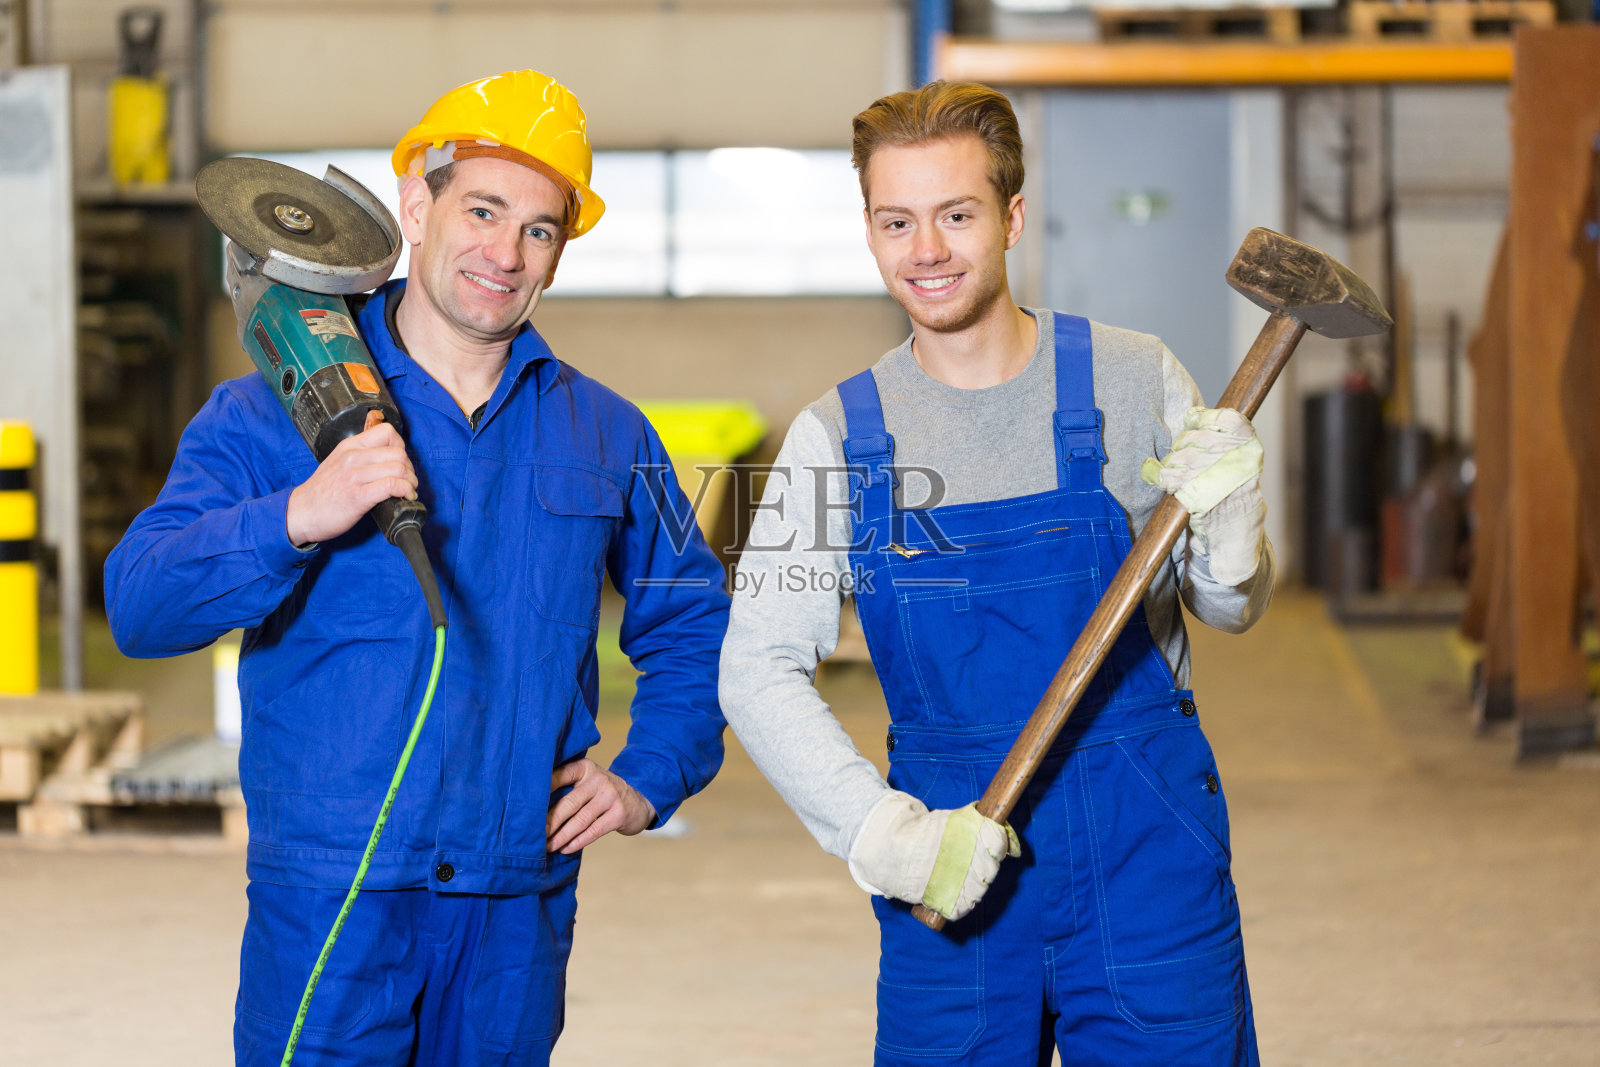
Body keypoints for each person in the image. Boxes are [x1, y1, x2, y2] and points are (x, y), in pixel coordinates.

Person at [105, 70, 729, 1066]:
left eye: (539, 229)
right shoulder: (270, 409)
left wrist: (649, 773)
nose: (505, 252)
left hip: (512, 902)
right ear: (414, 208)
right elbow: (141, 603)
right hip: (332, 893)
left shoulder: (609, 432)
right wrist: (301, 513)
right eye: (482, 209)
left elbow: (694, 620)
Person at [719, 80, 1272, 1065]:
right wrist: (883, 835)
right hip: (953, 855)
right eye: (897, 220)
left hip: (1146, 859)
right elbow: (756, 666)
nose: (925, 248)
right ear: (870, 230)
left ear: (1012, 216)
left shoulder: (1134, 376)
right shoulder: (835, 437)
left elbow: (1226, 608)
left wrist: (1229, 534)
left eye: (956, 214)